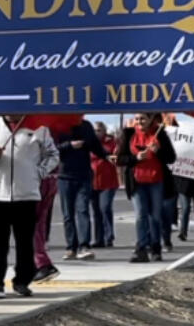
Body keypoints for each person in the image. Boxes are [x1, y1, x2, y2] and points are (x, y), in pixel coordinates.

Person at [0, 115, 58, 298]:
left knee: (25, 242)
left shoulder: (38, 127)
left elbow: (53, 155)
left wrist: (39, 171)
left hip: (26, 194)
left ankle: (22, 281)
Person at [115, 112, 176, 263]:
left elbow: (171, 158)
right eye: (137, 119)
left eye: (143, 118)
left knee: (155, 216)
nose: (140, 121)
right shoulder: (128, 134)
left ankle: (156, 248)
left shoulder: (160, 134)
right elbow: (120, 159)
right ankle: (141, 248)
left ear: (150, 120)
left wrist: (158, 151)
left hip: (157, 181)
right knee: (140, 215)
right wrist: (135, 158)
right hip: (137, 182)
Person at [55, 119, 108, 261]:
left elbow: (95, 146)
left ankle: (84, 246)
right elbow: (52, 149)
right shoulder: (58, 125)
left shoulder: (86, 125)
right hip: (65, 176)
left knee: (83, 210)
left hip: (84, 175)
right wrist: (69, 145)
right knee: (68, 214)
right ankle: (71, 247)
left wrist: (107, 156)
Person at [89, 122, 119, 248]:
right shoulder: (89, 143)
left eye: (99, 130)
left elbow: (116, 157)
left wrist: (115, 154)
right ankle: (98, 239)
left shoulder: (112, 142)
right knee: (96, 211)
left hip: (108, 182)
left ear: (104, 131)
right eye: (95, 130)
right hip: (92, 182)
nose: (97, 132)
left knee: (105, 208)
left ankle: (109, 237)